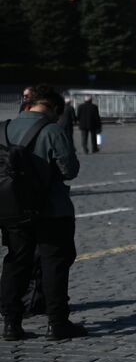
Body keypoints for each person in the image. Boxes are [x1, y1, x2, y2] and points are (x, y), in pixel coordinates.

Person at [0, 85, 85, 341]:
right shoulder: (53, 130)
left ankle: (11, 323)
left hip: (12, 209)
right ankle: (57, 322)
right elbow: (69, 169)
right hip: (52, 210)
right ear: (54, 108)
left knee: (15, 262)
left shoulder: (3, 129)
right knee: (54, 264)